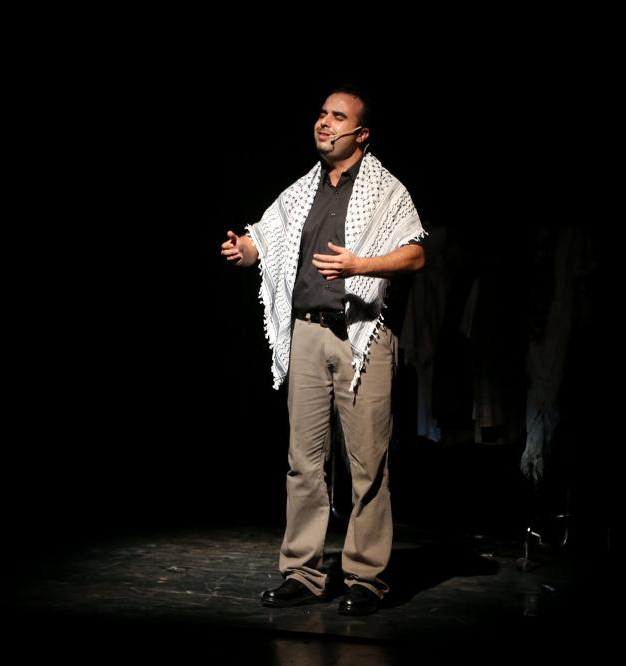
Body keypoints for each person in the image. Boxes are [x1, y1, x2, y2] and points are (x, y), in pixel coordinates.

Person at [221, 85, 426, 616]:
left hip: (363, 333)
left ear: (361, 133)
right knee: (303, 461)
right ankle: (302, 572)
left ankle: (365, 577)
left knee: (367, 462)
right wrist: (245, 250)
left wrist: (361, 266)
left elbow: (415, 255)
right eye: (321, 114)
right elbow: (267, 239)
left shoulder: (386, 190)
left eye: (338, 117)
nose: (324, 123)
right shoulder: (302, 190)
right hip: (308, 334)